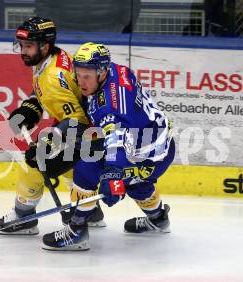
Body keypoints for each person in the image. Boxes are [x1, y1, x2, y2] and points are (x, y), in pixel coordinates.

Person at [42, 42, 175, 251]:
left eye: (87, 76)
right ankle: (158, 219)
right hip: (158, 148)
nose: (81, 81)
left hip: (141, 154)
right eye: (79, 74)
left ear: (102, 72)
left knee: (86, 167)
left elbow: (118, 139)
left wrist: (112, 173)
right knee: (137, 185)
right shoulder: (117, 71)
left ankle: (76, 230)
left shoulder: (112, 106)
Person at [0, 18, 106, 236]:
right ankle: (89, 210)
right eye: (21, 45)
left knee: (34, 164)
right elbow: (44, 94)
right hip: (90, 132)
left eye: (28, 46)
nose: (23, 51)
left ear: (44, 45)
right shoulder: (53, 58)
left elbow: (77, 121)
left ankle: (24, 218)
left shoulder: (53, 76)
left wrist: (47, 143)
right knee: (68, 168)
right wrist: (28, 110)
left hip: (88, 134)